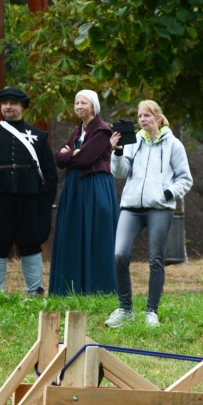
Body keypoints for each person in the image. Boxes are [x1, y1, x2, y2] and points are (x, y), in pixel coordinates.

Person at [106, 100, 192, 328]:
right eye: (140, 116)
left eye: (147, 115)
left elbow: (185, 179)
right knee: (120, 254)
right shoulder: (133, 142)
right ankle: (125, 309)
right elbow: (120, 172)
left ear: (158, 117)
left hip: (159, 208)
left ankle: (151, 311)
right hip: (131, 206)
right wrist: (117, 151)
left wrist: (168, 193)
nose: (143, 119)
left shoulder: (174, 145)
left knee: (155, 259)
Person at [0, 87, 58, 297]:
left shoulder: (38, 136)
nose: (8, 107)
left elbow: (50, 174)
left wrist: (45, 200)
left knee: (31, 243)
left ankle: (35, 291)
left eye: (13, 103)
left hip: (30, 199)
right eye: (5, 103)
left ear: (22, 106)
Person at [49, 90, 119, 296]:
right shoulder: (77, 131)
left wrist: (70, 154)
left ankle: (98, 287)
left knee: (96, 234)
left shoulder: (102, 131)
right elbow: (57, 158)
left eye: (84, 103)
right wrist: (74, 153)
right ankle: (72, 286)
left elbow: (85, 159)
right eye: (77, 103)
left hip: (95, 186)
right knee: (73, 234)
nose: (79, 106)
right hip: (75, 187)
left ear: (93, 107)